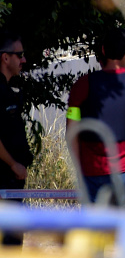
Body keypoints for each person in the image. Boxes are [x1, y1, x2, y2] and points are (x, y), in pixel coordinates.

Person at [66, 28, 125, 205]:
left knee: (96, 231)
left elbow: (71, 132)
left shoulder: (81, 86)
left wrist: (80, 167)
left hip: (93, 172)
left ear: (103, 50)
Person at [0, 30, 33, 246]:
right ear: (5, 57)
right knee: (10, 243)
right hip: (4, 178)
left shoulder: (6, 89)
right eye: (19, 54)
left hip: (10, 179)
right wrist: (13, 165)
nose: (24, 60)